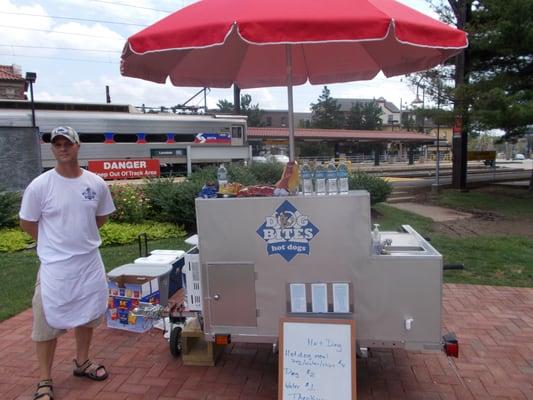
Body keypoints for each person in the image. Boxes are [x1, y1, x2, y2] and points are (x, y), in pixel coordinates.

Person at [19, 126, 116, 400]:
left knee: (88, 314)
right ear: (52, 148)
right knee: (45, 323)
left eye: (67, 143)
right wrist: (53, 242)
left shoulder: (96, 183)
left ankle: (82, 362)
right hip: (54, 268)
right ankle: (44, 379)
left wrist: (78, 238)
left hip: (87, 263)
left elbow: (101, 217)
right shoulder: (40, 186)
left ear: (78, 146)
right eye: (57, 144)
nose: (62, 148)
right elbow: (27, 222)